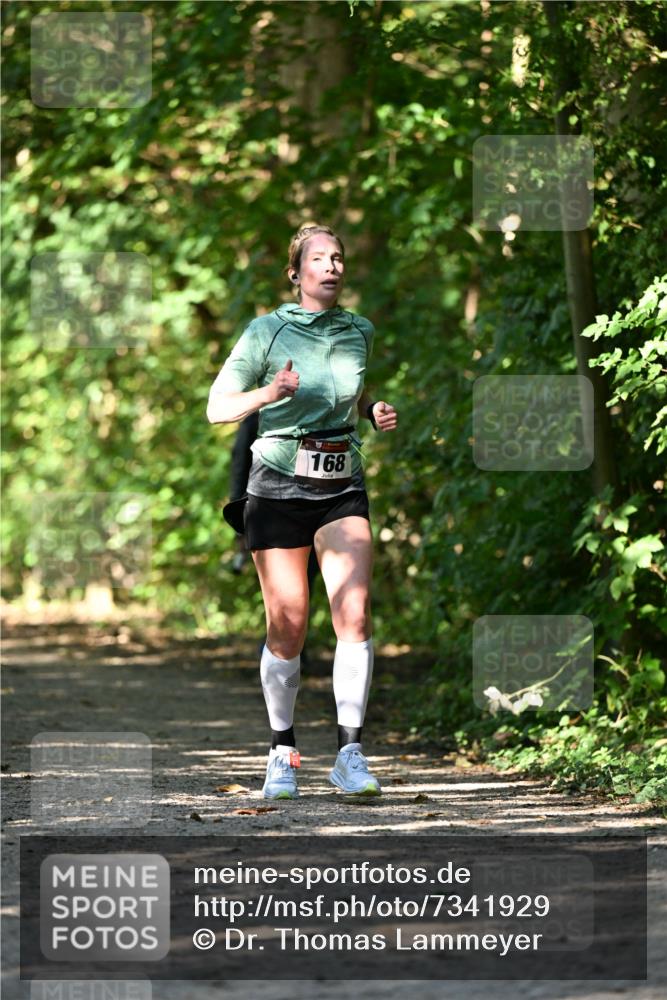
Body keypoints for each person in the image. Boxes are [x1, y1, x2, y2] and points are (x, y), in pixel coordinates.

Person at [207, 223, 397, 799]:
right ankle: (281, 753)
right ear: (297, 274)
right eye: (320, 258)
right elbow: (218, 407)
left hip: (342, 487)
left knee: (355, 614)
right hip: (278, 487)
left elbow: (350, 394)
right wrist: (269, 394)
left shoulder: (359, 331)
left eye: (338, 257)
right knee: (288, 624)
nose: (332, 266)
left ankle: (349, 754)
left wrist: (372, 410)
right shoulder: (266, 331)